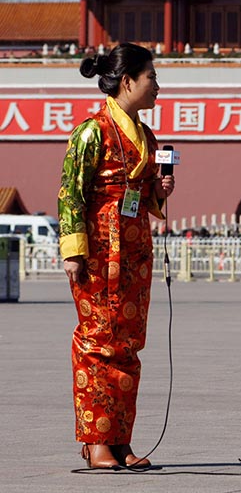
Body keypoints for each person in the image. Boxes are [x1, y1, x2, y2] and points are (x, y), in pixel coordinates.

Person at [58, 43, 176, 470]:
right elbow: (71, 192)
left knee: (128, 344)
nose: (157, 87)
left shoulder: (145, 136)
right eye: (152, 78)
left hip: (134, 252)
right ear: (128, 81)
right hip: (98, 253)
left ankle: (121, 439)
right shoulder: (91, 132)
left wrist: (157, 193)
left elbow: (143, 197)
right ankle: (95, 440)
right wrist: (73, 251)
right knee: (96, 342)